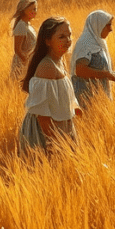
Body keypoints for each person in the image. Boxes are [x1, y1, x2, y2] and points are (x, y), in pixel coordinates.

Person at [19, 17, 82, 154]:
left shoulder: (59, 61)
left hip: (60, 126)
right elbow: (42, 114)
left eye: (69, 35)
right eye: (61, 37)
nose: (68, 40)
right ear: (48, 41)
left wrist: (74, 108)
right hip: (46, 132)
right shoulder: (47, 67)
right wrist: (54, 142)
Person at [70, 10, 115, 103]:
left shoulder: (97, 42)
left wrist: (111, 74)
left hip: (97, 98)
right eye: (108, 25)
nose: (111, 29)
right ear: (98, 25)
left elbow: (96, 67)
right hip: (86, 99)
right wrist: (107, 74)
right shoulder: (85, 44)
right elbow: (80, 70)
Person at [9, 0, 38, 81]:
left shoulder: (27, 24)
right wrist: (26, 63)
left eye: (35, 9)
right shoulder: (21, 25)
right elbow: (17, 49)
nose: (35, 12)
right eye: (32, 9)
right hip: (22, 64)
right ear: (24, 10)